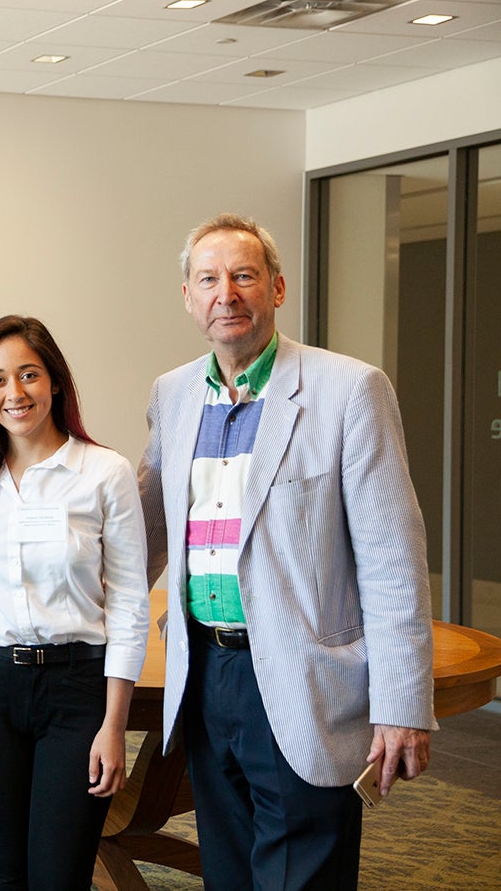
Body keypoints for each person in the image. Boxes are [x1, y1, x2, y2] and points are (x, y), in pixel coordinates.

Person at [138, 213, 435, 889]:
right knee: (229, 874)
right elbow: (150, 531)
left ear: (276, 288)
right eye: (209, 280)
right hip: (207, 677)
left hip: (303, 678)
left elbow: (393, 558)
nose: (227, 294)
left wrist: (402, 704)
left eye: (243, 276)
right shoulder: (173, 394)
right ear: (188, 296)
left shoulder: (349, 390)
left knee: (303, 875)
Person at [0, 315, 150, 890]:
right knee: (3, 873)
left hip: (77, 692)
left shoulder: (104, 472)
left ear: (54, 380)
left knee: (59, 875)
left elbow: (128, 601)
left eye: (28, 374)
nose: (14, 393)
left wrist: (114, 724)